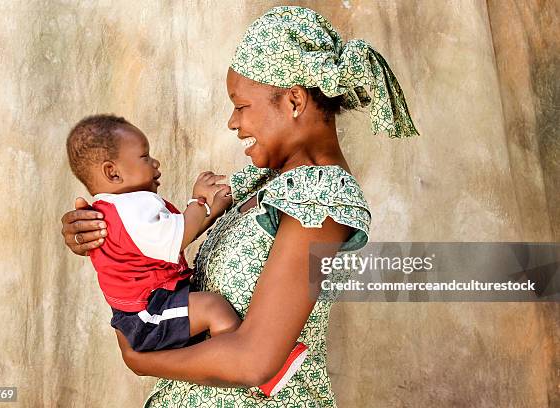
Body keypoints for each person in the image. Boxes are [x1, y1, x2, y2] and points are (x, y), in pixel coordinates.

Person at [60, 5, 419, 407]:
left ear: (295, 101)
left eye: (242, 105)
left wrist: (139, 359)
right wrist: (101, 226)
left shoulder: (319, 200)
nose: (233, 122)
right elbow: (152, 246)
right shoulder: (266, 184)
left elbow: (253, 362)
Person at [64, 114, 309, 396]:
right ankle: (255, 374)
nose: (155, 163)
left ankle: (241, 362)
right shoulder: (131, 208)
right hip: (148, 313)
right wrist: (197, 200)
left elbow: (176, 233)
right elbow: (179, 234)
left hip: (147, 308)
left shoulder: (115, 209)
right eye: (144, 157)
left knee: (207, 308)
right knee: (214, 309)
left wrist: (211, 209)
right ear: (113, 173)